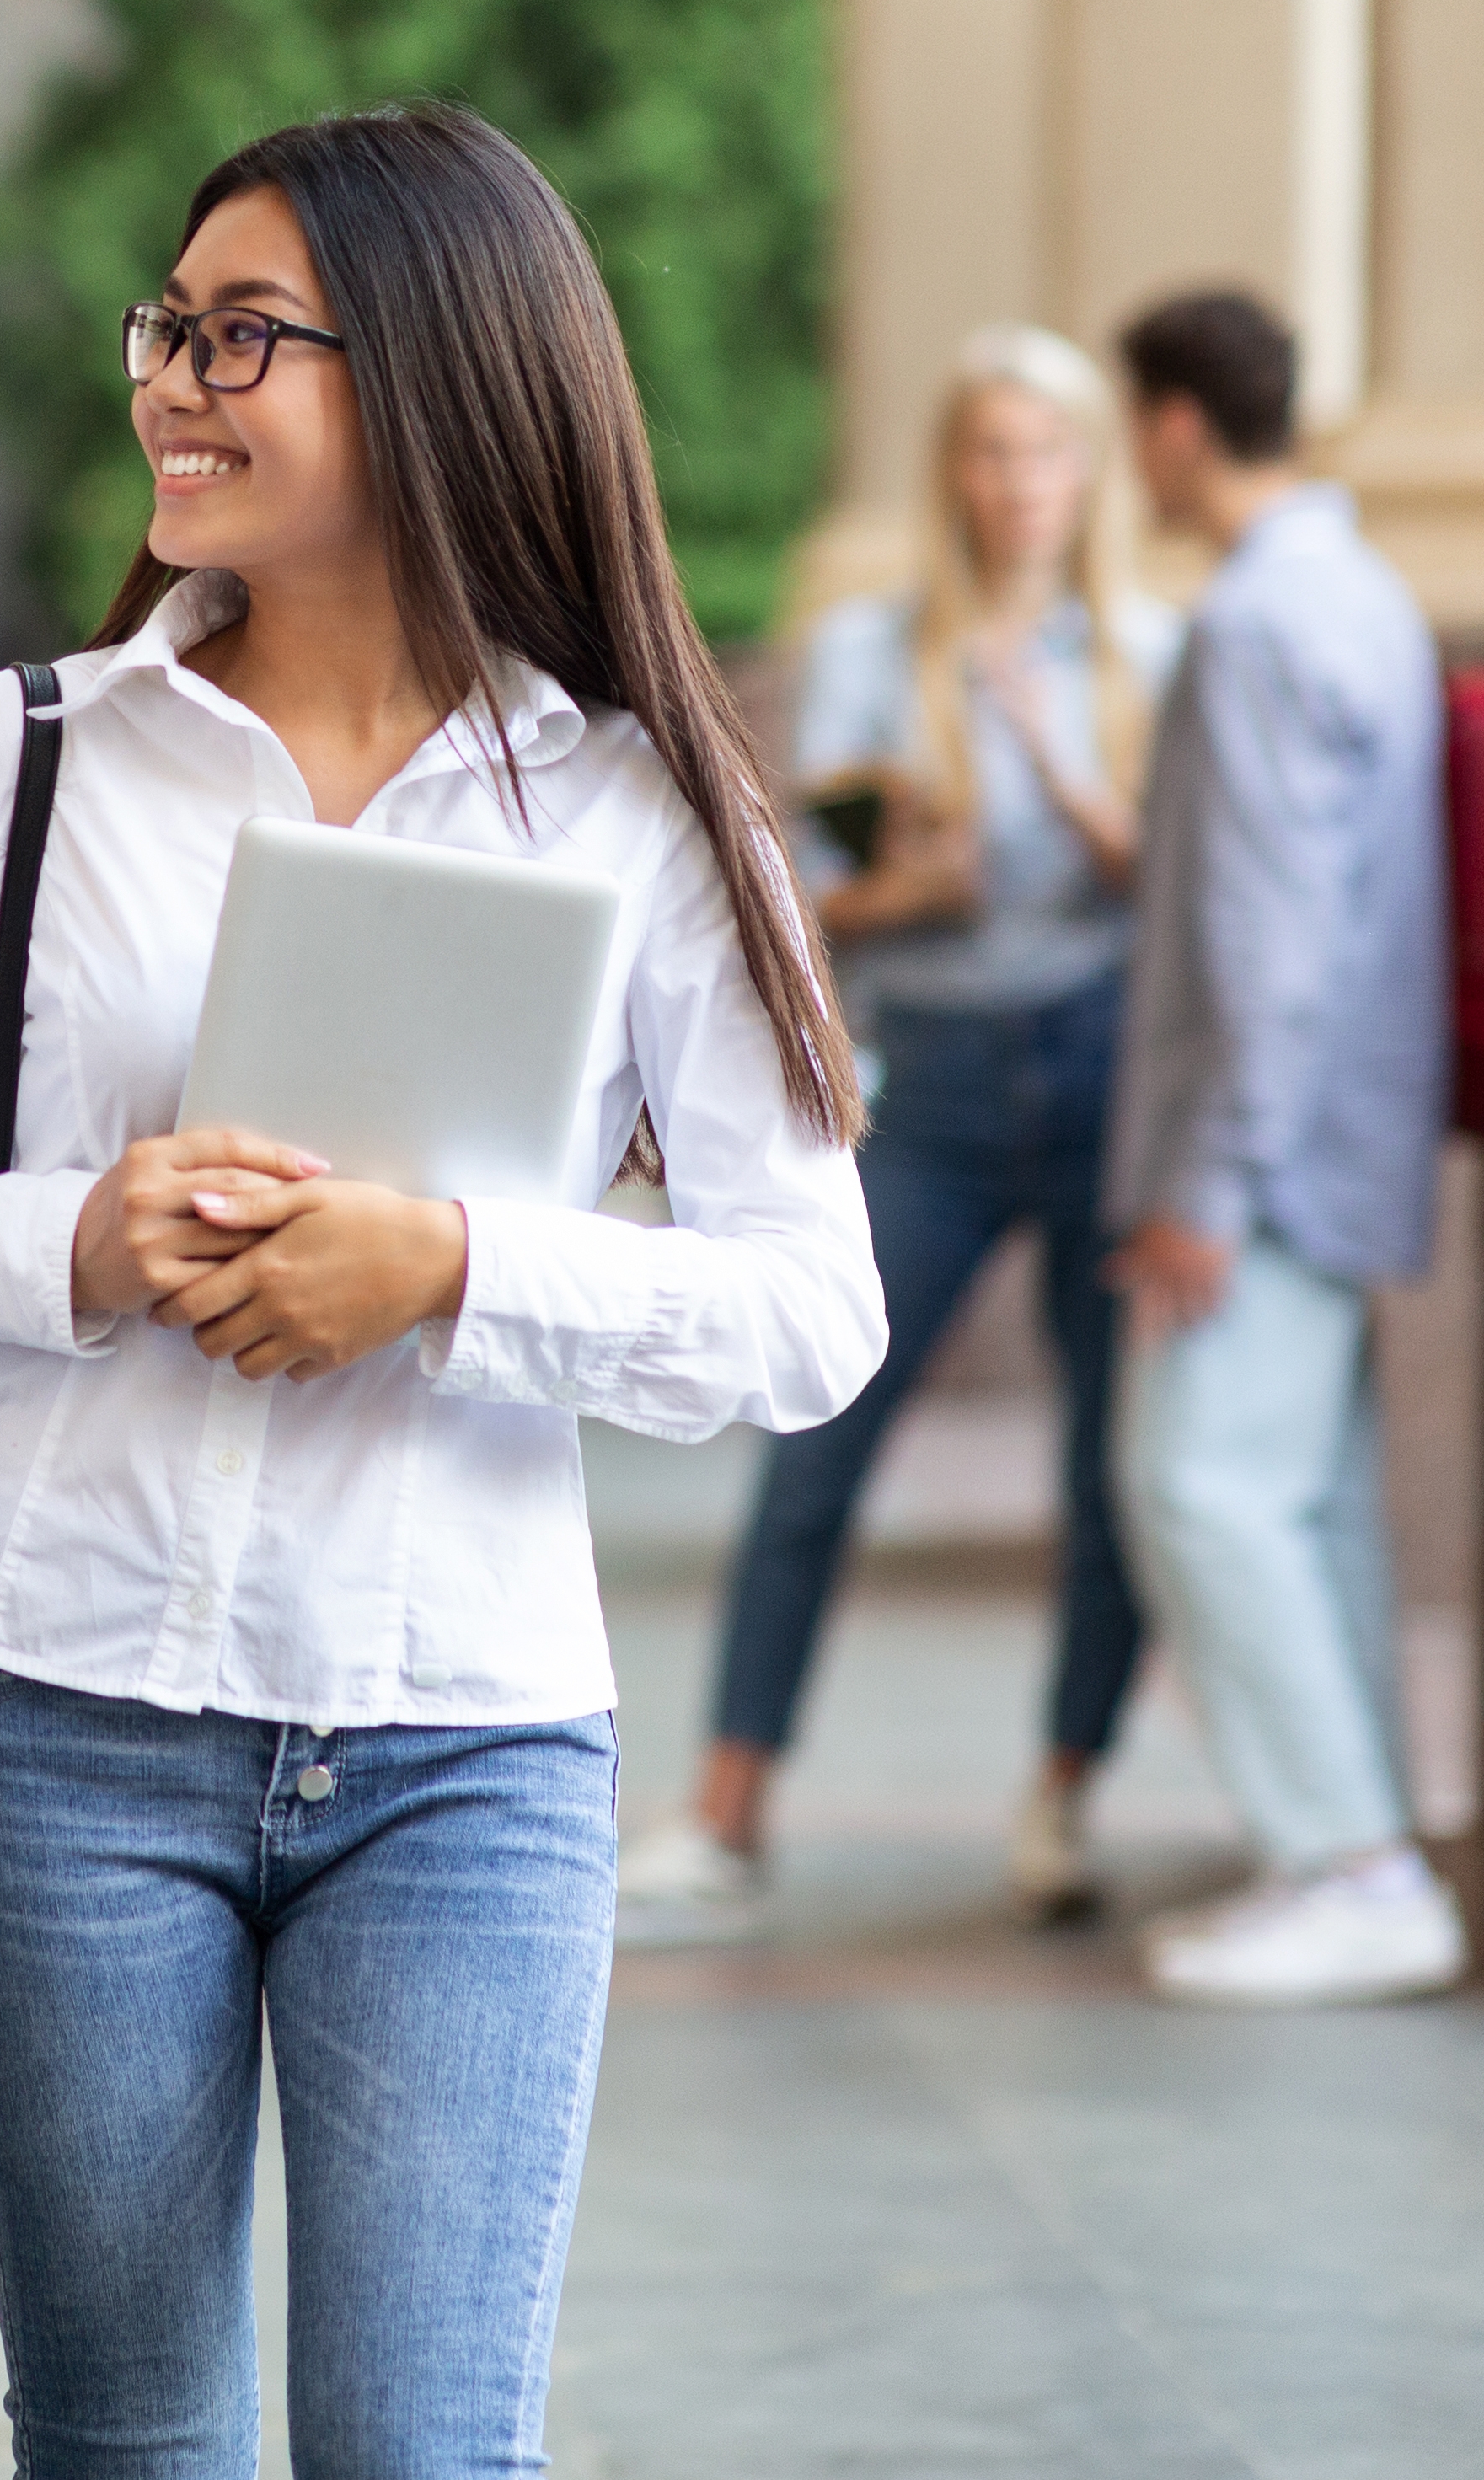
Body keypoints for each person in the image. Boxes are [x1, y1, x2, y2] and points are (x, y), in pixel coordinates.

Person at [0, 103, 882, 2478]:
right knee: (128, 2438)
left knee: (426, 2452)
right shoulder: (23, 759)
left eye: (247, 335)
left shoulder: (649, 812)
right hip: (57, 1719)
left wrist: (452, 1270)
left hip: (468, 1740)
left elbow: (806, 1308)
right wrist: (75, 1240)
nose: (174, 377)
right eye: (168, 324)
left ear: (444, 373)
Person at [620, 325, 1179, 1942]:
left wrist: (1064, 770)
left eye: (1046, 451)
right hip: (926, 1078)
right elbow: (800, 894)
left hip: (1094, 1076)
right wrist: (902, 890)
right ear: (952, 468)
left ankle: (1061, 1797)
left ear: (1087, 474)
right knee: (813, 1439)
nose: (1016, 482)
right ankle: (726, 1807)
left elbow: (1184, 893)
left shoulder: (1153, 648)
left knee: (1100, 1464)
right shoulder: (872, 649)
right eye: (988, 449)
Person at [1101, 287, 1461, 2010]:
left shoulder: (1252, 622)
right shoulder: (1362, 591)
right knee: (1298, 1504)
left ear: (1175, 425)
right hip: (1347, 1137)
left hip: (1274, 1159)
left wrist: (1205, 1187)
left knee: (1202, 1486)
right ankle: (1351, 1848)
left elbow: (1268, 939)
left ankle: (1356, 1867)